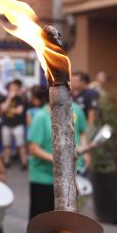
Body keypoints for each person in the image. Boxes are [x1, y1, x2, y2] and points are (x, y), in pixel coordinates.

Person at [27, 87, 88, 221]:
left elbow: (82, 132)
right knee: (40, 224)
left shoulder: (74, 110)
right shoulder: (41, 117)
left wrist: (84, 154)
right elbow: (33, 149)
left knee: (65, 224)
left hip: (70, 177)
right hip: (44, 178)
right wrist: (59, 160)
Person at [0, 79, 27, 169]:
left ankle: (24, 162)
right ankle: (6, 161)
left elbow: (19, 111)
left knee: (20, 145)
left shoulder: (20, 99)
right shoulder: (4, 98)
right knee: (6, 144)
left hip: (18, 124)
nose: (13, 91)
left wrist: (8, 109)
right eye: (11, 89)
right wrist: (9, 99)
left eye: (15, 89)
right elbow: (2, 109)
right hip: (6, 124)